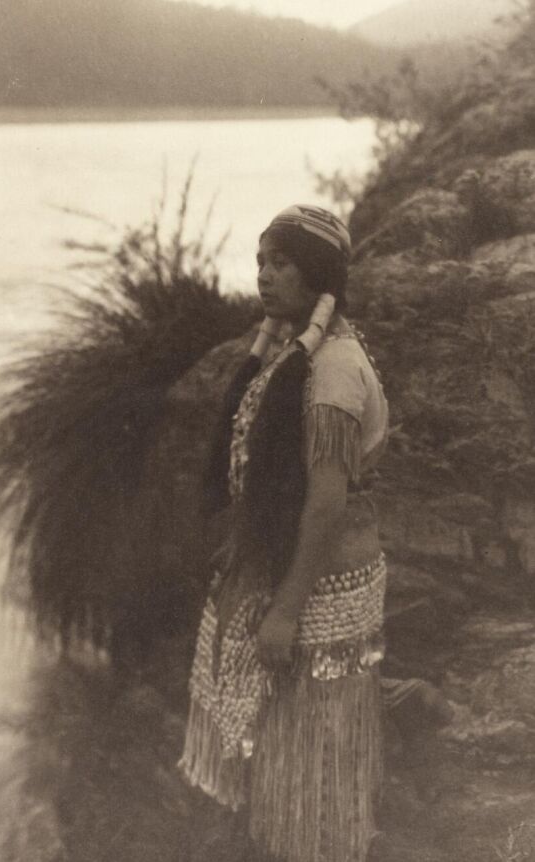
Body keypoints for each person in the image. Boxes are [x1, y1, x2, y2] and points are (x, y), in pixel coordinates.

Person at [179, 204, 389, 862]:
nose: (265, 275)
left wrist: (286, 612)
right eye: (261, 262)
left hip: (323, 585)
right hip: (292, 570)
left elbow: (326, 504)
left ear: (319, 273)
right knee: (282, 746)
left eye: (282, 263)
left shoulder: (331, 370)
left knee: (314, 756)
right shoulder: (291, 354)